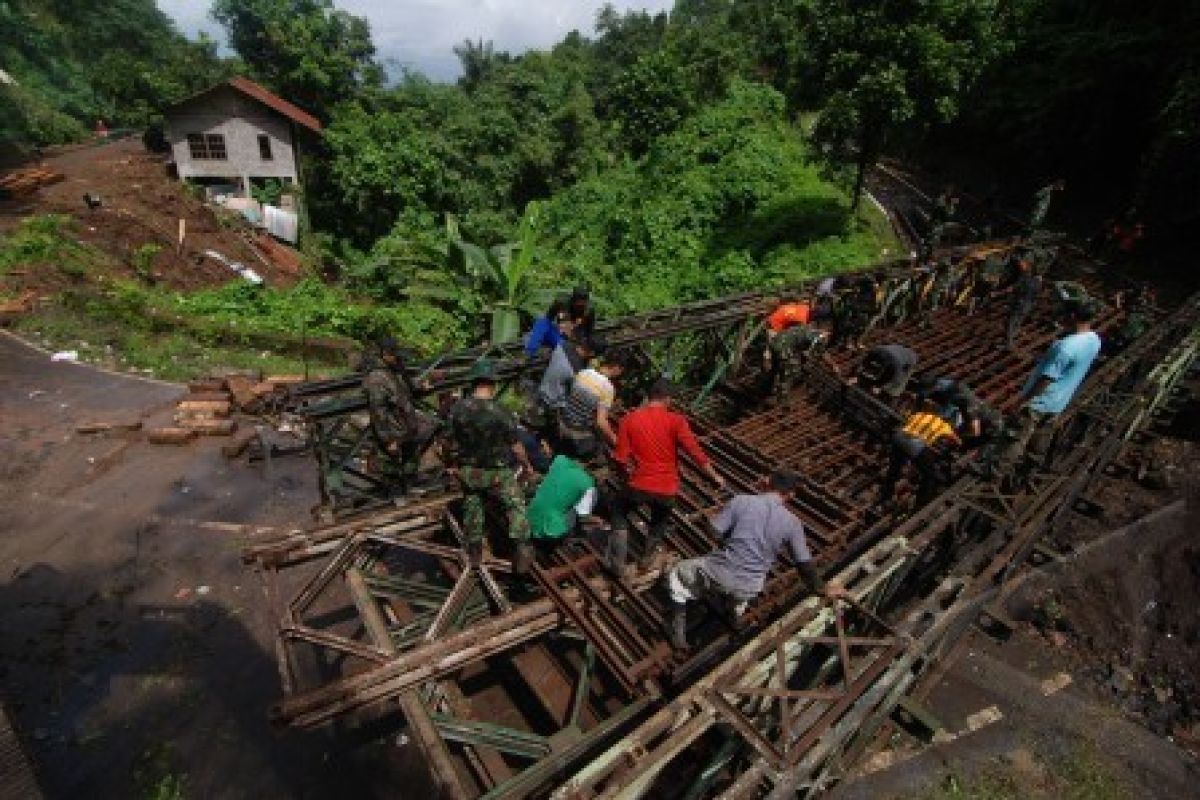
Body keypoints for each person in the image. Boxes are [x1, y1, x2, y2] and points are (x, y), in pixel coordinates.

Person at [665, 470, 846, 650]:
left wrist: (731, 541)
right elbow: (805, 566)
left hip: (719, 574)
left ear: (766, 482)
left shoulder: (742, 501)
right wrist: (822, 589)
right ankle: (733, 614)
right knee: (740, 591)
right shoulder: (793, 523)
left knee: (677, 576)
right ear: (791, 494)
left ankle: (677, 633)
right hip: (750, 587)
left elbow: (712, 530)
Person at [609, 378, 725, 573]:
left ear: (650, 396)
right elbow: (695, 452)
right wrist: (715, 477)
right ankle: (647, 559)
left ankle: (616, 563)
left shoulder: (629, 419)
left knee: (619, 512)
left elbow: (620, 458)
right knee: (659, 522)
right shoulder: (676, 421)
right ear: (667, 398)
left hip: (639, 483)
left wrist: (624, 477)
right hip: (666, 487)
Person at [445, 360, 536, 575]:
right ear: (492, 384)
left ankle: (474, 551)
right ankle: (522, 545)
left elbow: (448, 443)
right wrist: (527, 466)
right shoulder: (501, 412)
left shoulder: (457, 409)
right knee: (515, 504)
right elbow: (516, 447)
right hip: (498, 473)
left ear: (473, 383)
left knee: (472, 504)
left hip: (470, 471)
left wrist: (451, 465)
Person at [1009, 300, 1102, 471]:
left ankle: (996, 471)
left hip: (1040, 400)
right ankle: (1030, 469)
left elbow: (1046, 379)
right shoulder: (1095, 340)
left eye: (1065, 314)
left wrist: (1024, 399)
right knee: (1042, 437)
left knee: (1016, 438)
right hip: (1059, 402)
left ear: (1073, 316)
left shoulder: (1065, 347)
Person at [362, 337, 438, 495]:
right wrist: (388, 439)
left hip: (405, 426)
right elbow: (378, 411)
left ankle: (408, 487)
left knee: (412, 457)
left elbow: (403, 389)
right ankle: (394, 495)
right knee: (390, 468)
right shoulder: (377, 377)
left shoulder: (391, 371)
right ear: (385, 355)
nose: (398, 358)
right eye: (394, 355)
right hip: (393, 429)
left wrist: (420, 387)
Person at [878, 402, 961, 508]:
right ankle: (920, 504)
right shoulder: (945, 426)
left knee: (894, 468)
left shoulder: (920, 414)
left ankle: (885, 495)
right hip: (914, 444)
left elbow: (909, 422)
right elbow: (957, 441)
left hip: (898, 437)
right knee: (930, 475)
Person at [558, 349, 627, 458]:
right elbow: (601, 422)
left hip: (561, 422)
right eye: (622, 370)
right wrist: (615, 439)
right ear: (617, 367)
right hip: (575, 433)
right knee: (602, 441)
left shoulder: (583, 372)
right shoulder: (607, 388)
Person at [526, 450, 600, 542]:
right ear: (591, 462)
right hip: (547, 529)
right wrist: (597, 520)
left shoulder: (560, 460)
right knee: (573, 514)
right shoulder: (588, 483)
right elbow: (582, 515)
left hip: (529, 512)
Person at [534, 335, 599, 438]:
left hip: (543, 388)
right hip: (555, 403)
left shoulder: (563, 345)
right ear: (591, 353)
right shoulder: (576, 369)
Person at [765, 318, 836, 400]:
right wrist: (833, 365)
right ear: (827, 331)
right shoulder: (820, 336)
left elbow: (803, 347)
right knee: (790, 372)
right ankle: (779, 397)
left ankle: (768, 387)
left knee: (776, 367)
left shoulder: (807, 328)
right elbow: (823, 353)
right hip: (783, 348)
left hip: (775, 341)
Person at [1003, 254, 1042, 348]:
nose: (1020, 264)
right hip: (1029, 304)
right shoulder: (1037, 280)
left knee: (1011, 322)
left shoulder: (1024, 277)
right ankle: (1012, 339)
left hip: (1020, 303)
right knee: (1019, 321)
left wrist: (998, 293)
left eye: (1023, 263)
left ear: (1028, 265)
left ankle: (1009, 343)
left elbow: (1013, 288)